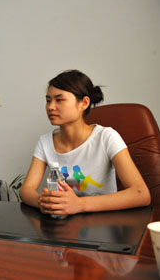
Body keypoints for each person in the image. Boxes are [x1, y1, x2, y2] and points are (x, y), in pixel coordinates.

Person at [19, 70, 150, 216]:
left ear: (84, 103)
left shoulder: (106, 137)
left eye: (59, 100)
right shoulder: (45, 142)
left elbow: (141, 194)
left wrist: (79, 204)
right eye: (48, 100)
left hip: (104, 225)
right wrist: (43, 202)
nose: (50, 107)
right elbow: (26, 189)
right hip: (64, 226)